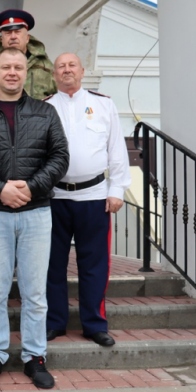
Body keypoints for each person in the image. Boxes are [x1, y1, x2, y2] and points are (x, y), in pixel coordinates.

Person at [0, 48, 69, 389]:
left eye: (18, 67)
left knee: (35, 291)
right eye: (5, 67)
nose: (12, 72)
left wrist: (31, 187)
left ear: (26, 71)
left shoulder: (45, 112)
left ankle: (35, 357)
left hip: (36, 212)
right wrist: (0, 190)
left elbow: (60, 156)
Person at [45, 53, 131, 347]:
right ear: (54, 74)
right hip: (54, 197)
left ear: (82, 71)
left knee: (94, 264)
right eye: (61, 66)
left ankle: (94, 324)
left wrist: (117, 189)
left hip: (94, 196)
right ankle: (54, 321)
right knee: (51, 264)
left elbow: (116, 148)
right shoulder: (44, 108)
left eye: (72, 65)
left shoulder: (103, 104)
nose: (67, 70)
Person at [0, 9, 56, 99]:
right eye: (8, 33)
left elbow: (60, 97)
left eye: (17, 32)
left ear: (27, 38)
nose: (13, 37)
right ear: (2, 40)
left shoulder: (45, 66)